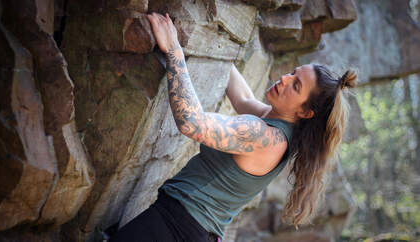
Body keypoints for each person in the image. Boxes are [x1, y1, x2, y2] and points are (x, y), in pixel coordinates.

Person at [108, 12, 357, 242]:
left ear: (305, 112)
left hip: (175, 229)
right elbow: (242, 99)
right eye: (292, 73)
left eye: (296, 86)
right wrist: (215, 36)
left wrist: (174, 50)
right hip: (183, 226)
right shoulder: (277, 125)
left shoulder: (265, 137)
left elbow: (192, 123)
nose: (285, 79)